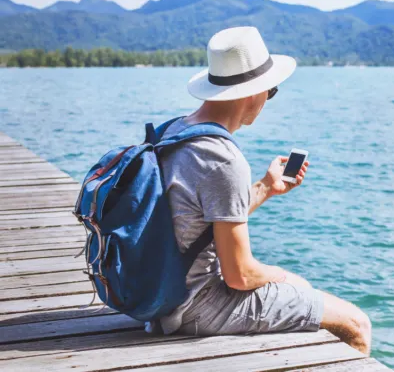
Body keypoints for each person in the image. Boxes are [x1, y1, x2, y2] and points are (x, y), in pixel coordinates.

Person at [146, 26, 372, 355]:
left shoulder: (175, 132)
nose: (268, 99)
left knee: (302, 295)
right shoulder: (223, 158)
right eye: (272, 91)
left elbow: (196, 220)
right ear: (255, 92)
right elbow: (240, 275)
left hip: (160, 294)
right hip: (195, 305)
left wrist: (266, 187)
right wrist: (284, 276)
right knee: (355, 324)